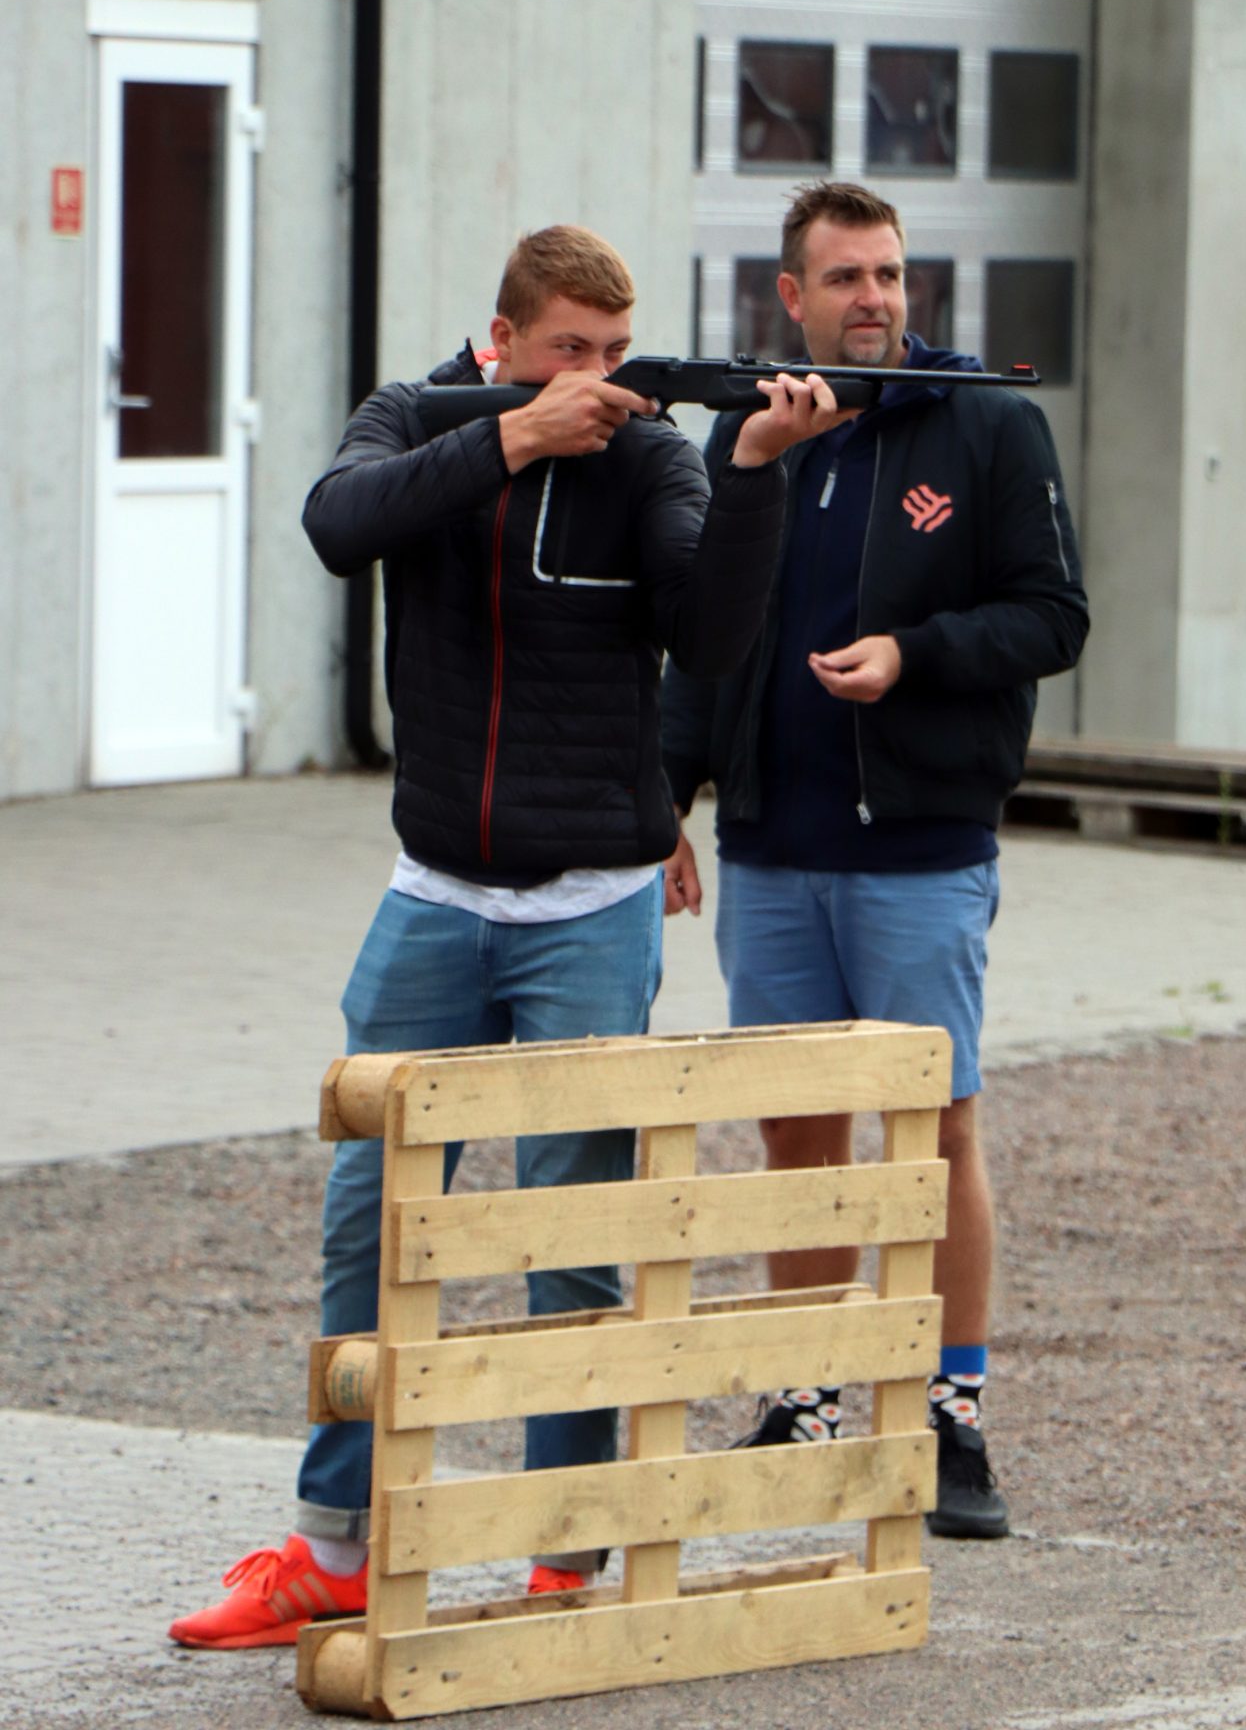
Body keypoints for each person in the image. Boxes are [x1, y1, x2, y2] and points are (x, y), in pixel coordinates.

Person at [170, 224, 849, 1648]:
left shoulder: (655, 456)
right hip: (431, 889)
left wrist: (751, 471)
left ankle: (564, 1556)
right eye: (567, 353)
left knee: (573, 1241)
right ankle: (330, 1550)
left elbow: (713, 638)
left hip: (591, 903)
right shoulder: (423, 414)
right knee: (367, 1226)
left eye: (615, 354)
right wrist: (511, 438)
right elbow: (335, 524)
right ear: (503, 343)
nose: (599, 378)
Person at [661, 182, 1089, 1539]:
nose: (875, 298)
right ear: (790, 294)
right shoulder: (751, 434)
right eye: (846, 276)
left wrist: (914, 656)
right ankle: (806, 1399)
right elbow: (704, 637)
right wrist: (665, 800)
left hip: (919, 846)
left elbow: (1055, 616)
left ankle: (950, 1410)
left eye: (891, 274)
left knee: (936, 1126)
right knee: (797, 1128)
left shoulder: (986, 423)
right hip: (769, 847)